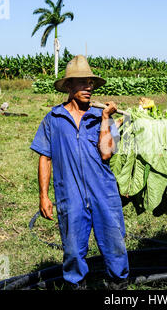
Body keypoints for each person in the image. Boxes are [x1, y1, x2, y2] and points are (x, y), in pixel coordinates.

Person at [30, 55, 129, 290]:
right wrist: (44, 196)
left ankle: (119, 286)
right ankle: (77, 285)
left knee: (114, 243)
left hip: (103, 191)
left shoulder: (104, 117)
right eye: (82, 82)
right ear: (68, 86)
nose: (88, 87)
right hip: (70, 194)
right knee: (73, 249)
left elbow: (107, 153)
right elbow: (45, 157)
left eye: (91, 83)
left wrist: (106, 119)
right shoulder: (53, 119)